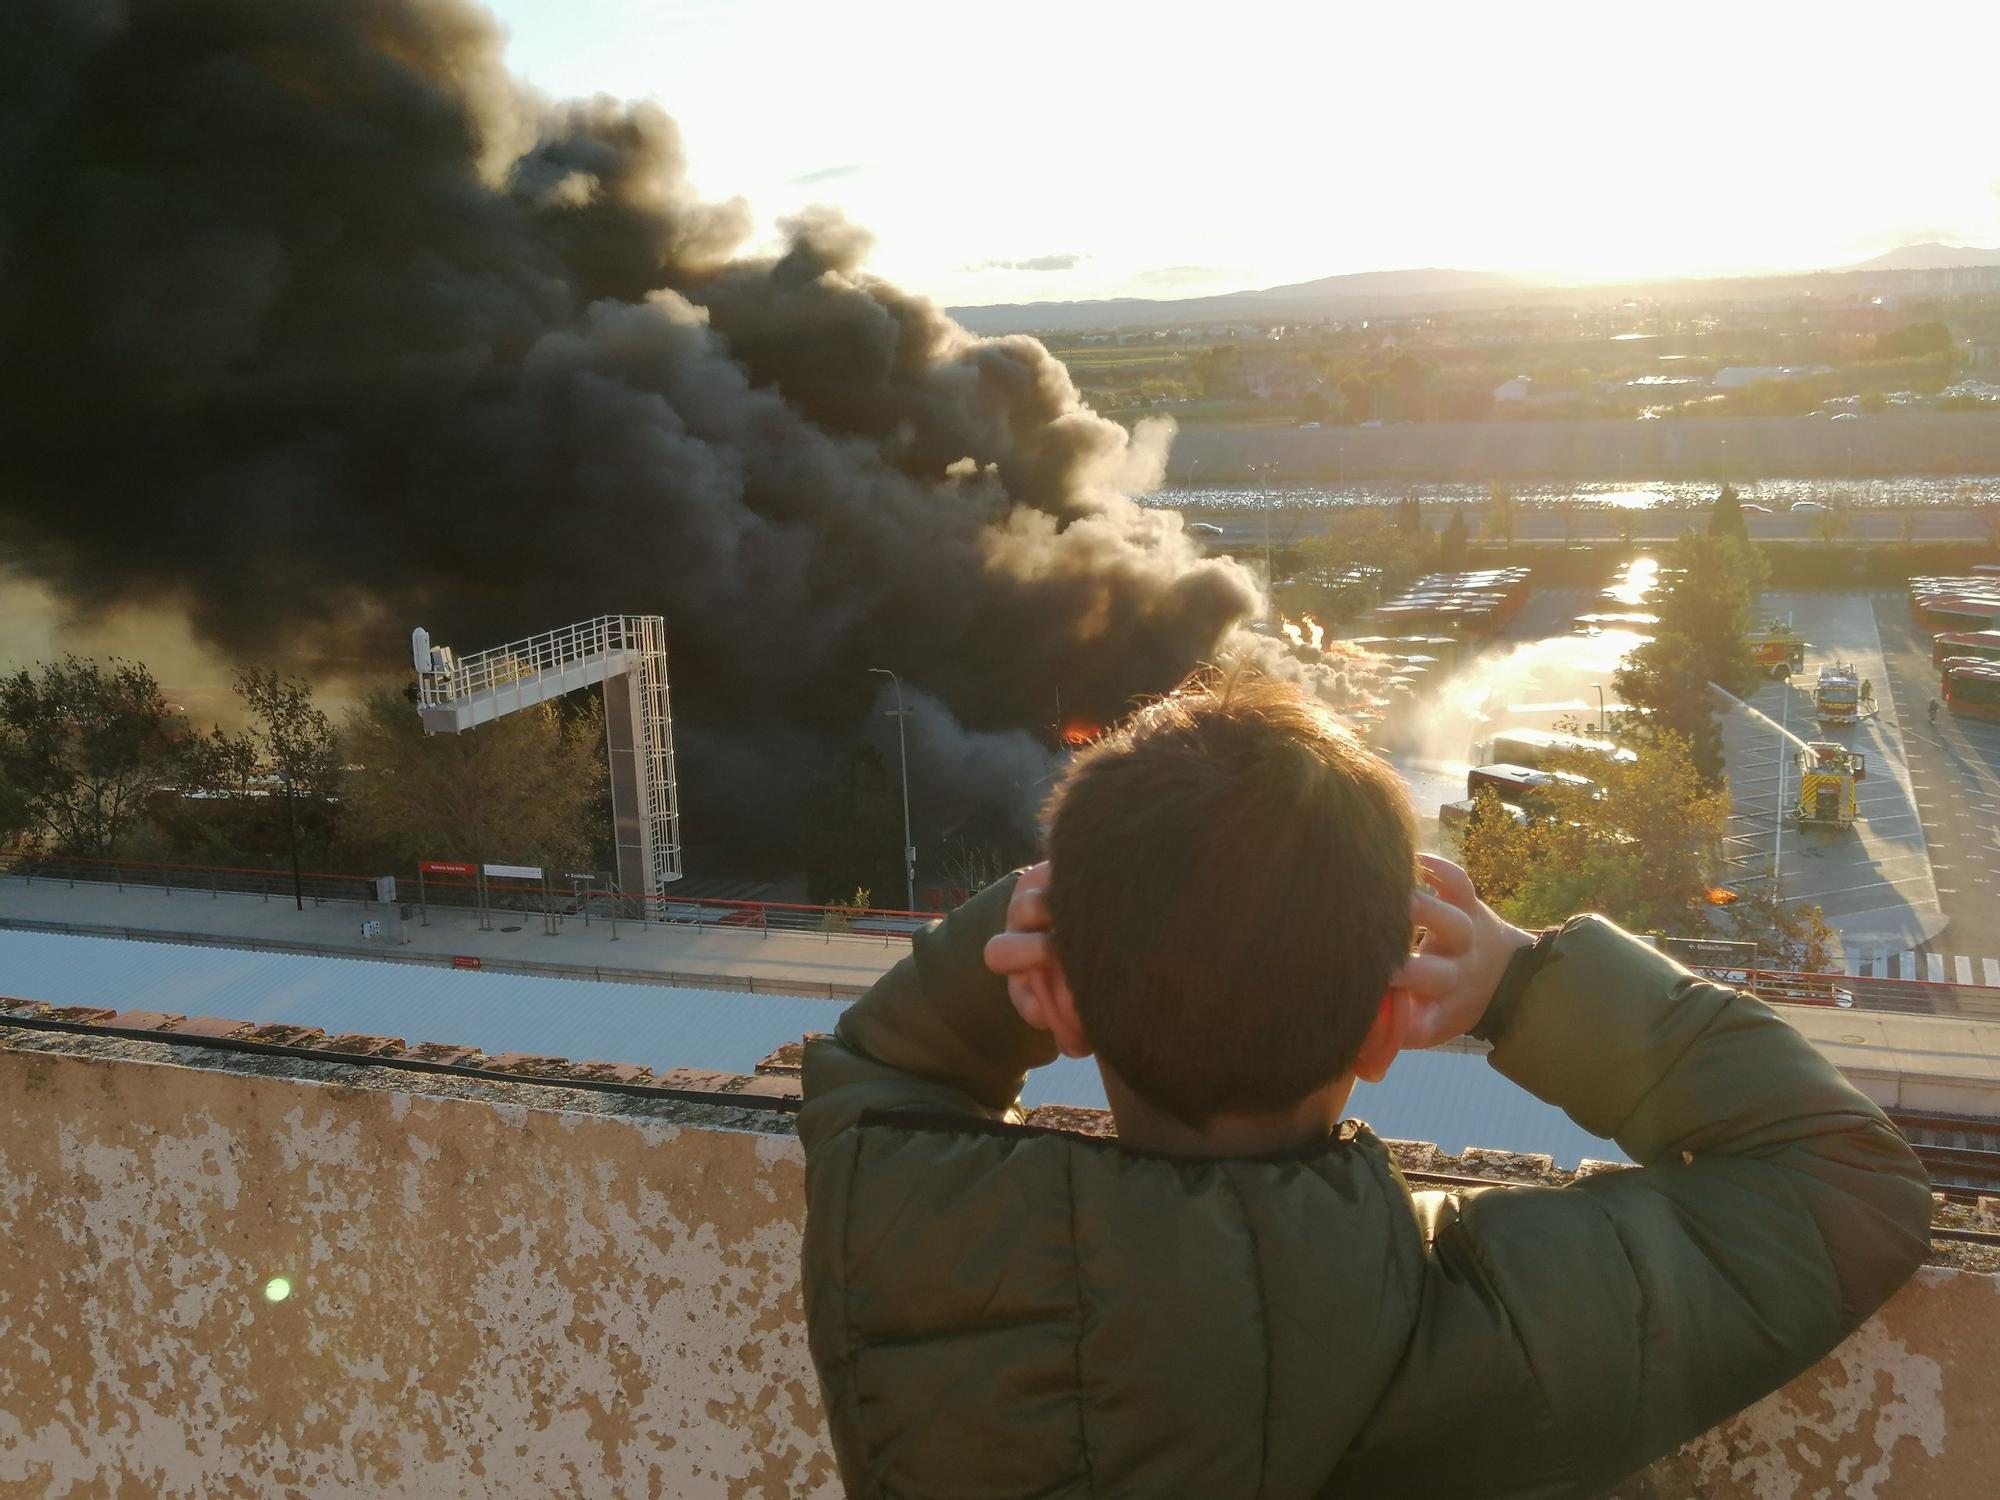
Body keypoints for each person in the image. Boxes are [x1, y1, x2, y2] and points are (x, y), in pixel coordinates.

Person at [799, 673, 1930, 1499]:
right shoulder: (1497, 1325)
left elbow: (870, 1072)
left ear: (1056, 999)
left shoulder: (912, 1247)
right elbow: (1848, 1180)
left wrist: (1063, 911)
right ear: (1389, 1028)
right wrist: (1519, 982)